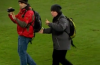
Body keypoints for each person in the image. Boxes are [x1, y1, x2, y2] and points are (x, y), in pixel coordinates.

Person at [8, 0, 36, 65]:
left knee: (22, 52)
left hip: (26, 35)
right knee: (22, 51)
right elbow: (16, 20)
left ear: (26, 3)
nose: (20, 4)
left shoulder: (29, 12)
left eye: (22, 3)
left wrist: (16, 19)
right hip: (22, 34)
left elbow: (24, 24)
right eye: (19, 3)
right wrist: (11, 15)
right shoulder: (22, 10)